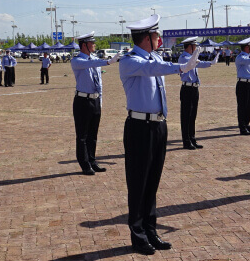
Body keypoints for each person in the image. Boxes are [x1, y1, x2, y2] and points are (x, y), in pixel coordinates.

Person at [120, 14, 199, 255]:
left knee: (152, 182)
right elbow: (151, 68)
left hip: (158, 125)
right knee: (138, 183)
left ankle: (150, 229)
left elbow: (156, 64)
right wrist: (181, 67)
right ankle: (138, 234)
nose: (160, 38)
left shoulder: (154, 57)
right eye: (156, 35)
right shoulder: (130, 61)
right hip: (139, 127)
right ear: (147, 38)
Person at [70, 32, 120, 175]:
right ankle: (84, 164)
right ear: (84, 45)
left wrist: (100, 101)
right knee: (82, 136)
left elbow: (100, 83)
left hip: (95, 100)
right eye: (92, 43)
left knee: (93, 134)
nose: (94, 45)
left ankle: (92, 161)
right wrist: (108, 62)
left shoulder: (95, 59)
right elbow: (89, 63)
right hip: (82, 101)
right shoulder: (77, 61)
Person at [178, 36, 219, 150]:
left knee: (193, 115)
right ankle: (186, 141)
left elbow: (199, 63)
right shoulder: (183, 57)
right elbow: (190, 64)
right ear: (190, 47)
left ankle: (192, 138)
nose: (196, 48)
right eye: (194, 46)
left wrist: (211, 63)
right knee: (186, 116)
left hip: (194, 88)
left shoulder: (192, 57)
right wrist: (196, 56)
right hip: (187, 88)